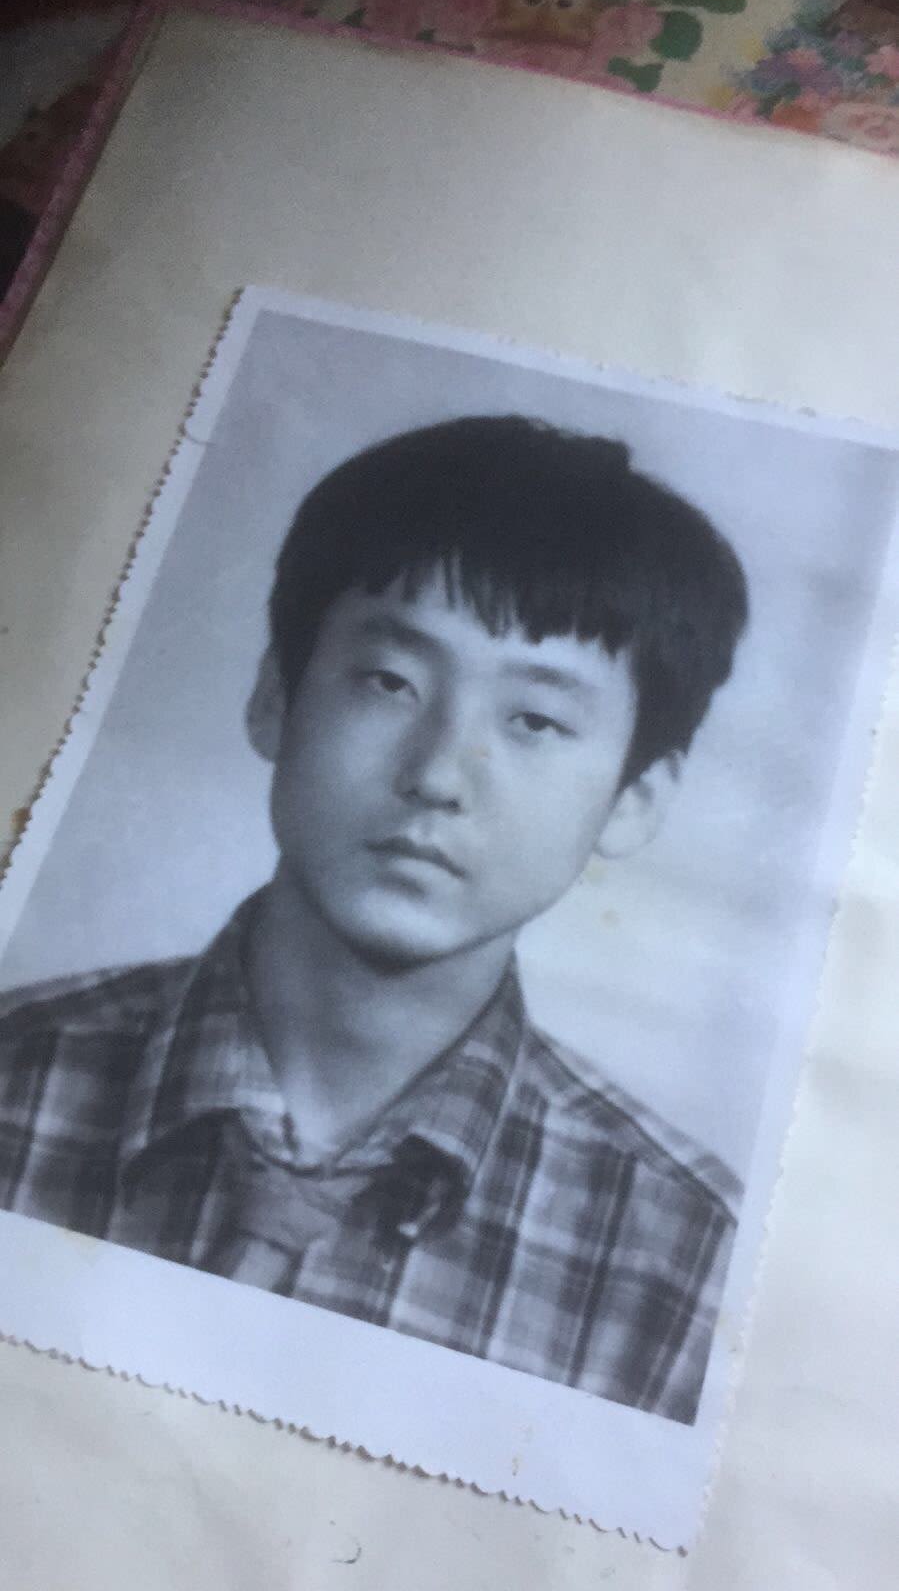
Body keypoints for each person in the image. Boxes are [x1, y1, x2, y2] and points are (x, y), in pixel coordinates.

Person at [0, 415, 749, 1424]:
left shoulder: (688, 1261)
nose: (437, 774)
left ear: (632, 798)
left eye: (531, 720)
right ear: (275, 698)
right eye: (389, 681)